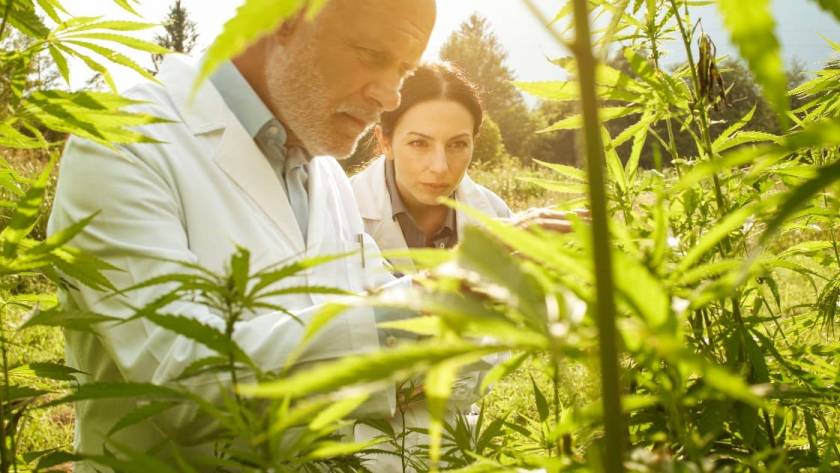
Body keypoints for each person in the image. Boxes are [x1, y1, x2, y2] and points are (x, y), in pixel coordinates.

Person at [46, 0, 436, 470]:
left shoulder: (326, 173)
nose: (392, 96)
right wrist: (427, 305)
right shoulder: (127, 143)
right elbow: (180, 384)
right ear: (284, 19)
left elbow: (377, 318)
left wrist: (480, 292)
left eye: (405, 71)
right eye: (372, 55)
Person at [351, 62, 583, 272]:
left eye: (457, 144)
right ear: (385, 142)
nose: (440, 167)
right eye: (419, 143)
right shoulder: (343, 210)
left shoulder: (494, 211)